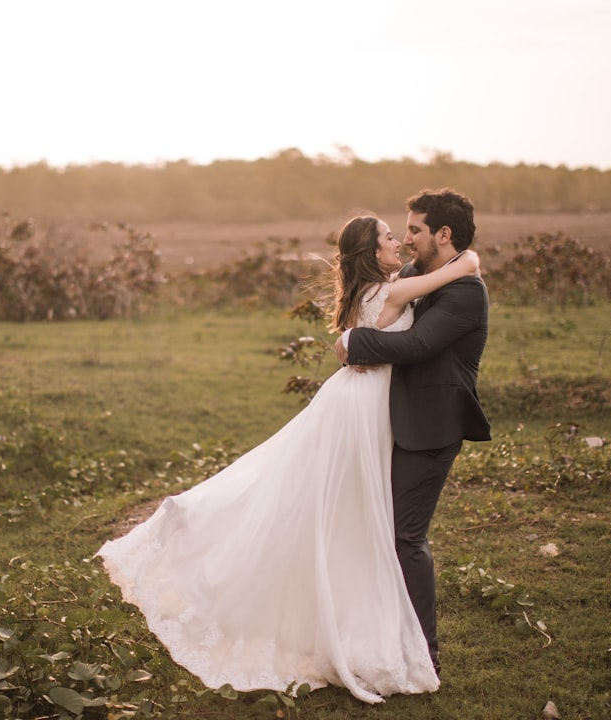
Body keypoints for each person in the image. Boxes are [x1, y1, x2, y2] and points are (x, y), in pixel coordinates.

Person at [96, 214, 479, 704]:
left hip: (362, 399)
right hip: (362, 407)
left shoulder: (382, 285)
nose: (397, 242)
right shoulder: (394, 290)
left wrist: (352, 341)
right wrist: (469, 258)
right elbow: (451, 274)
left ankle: (344, 615)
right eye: (388, 237)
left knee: (344, 512)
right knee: (347, 513)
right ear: (372, 251)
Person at [334, 188, 491, 676]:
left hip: (431, 427)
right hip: (390, 420)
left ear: (443, 234)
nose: (406, 239)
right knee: (380, 531)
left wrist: (353, 340)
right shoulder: (412, 275)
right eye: (400, 232)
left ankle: (425, 653)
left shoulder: (467, 291)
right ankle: (381, 635)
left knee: (406, 538)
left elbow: (420, 344)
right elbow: (381, 298)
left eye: (415, 230)